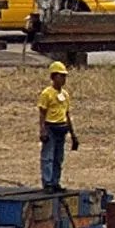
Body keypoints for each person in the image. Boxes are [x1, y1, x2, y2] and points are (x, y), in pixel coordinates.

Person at [36, 62, 75, 190]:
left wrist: (73, 134)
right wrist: (42, 130)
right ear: (53, 77)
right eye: (60, 76)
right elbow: (42, 113)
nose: (63, 79)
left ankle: (55, 181)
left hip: (61, 127)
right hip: (50, 127)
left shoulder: (65, 94)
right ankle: (47, 182)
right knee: (48, 157)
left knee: (58, 158)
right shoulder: (47, 94)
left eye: (64, 76)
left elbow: (67, 114)